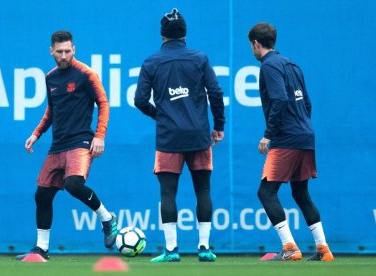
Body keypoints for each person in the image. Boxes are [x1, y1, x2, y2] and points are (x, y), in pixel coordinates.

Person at [16, 31, 117, 260]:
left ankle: (107, 218)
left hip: (81, 141)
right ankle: (41, 249)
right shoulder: (50, 77)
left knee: (73, 183)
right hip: (57, 144)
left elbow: (103, 102)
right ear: (51, 51)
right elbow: (51, 111)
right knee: (42, 195)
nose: (64, 55)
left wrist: (99, 136)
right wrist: (36, 134)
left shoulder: (85, 74)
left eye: (67, 51)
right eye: (59, 51)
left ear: (74, 49)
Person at [134, 8, 225, 263]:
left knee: (167, 193)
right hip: (198, 135)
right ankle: (204, 248)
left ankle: (171, 251)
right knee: (203, 189)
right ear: (184, 33)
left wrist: (159, 115)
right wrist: (219, 125)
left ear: (162, 34)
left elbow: (139, 100)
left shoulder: (152, 62)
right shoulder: (200, 58)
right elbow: (216, 93)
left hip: (169, 137)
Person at [248, 23, 334, 261]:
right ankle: (323, 249)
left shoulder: (268, 66)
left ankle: (289, 248)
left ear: (256, 43)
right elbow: (307, 104)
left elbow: (278, 100)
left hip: (286, 138)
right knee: (300, 192)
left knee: (266, 192)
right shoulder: (292, 64)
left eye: (251, 46)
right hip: (305, 135)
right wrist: (302, 127)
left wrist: (269, 134)